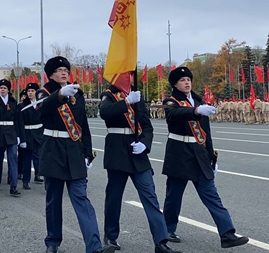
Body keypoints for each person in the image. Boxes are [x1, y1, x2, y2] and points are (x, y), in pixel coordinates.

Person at [162, 67, 249, 249]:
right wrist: (196, 111)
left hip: (199, 154)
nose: (187, 82)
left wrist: (211, 158)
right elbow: (173, 115)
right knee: (174, 196)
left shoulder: (199, 101)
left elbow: (206, 133)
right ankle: (168, 228)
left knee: (211, 195)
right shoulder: (171, 101)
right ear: (175, 84)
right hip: (179, 154)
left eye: (188, 79)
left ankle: (227, 233)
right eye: (182, 80)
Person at [37, 56, 115, 253]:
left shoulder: (77, 93)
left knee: (81, 198)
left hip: (73, 149)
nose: (64, 72)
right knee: (54, 200)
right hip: (53, 148)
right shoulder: (44, 92)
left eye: (66, 69)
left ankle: (94, 246)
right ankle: (53, 241)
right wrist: (60, 95)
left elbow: (83, 126)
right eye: (59, 70)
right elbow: (41, 110)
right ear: (51, 74)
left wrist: (87, 152)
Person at [99, 73, 179, 253]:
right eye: (126, 75)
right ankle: (111, 237)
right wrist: (126, 102)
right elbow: (105, 113)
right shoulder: (110, 95)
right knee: (114, 197)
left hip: (137, 152)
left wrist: (145, 143)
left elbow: (147, 125)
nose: (130, 79)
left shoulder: (137, 95)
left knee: (150, 196)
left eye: (131, 76)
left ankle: (161, 241)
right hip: (118, 150)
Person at [0, 79, 22, 196]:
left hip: (11, 133)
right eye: (1, 88)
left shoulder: (13, 102)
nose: (2, 90)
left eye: (4, 88)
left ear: (9, 89)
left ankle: (13, 185)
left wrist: (18, 135)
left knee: (13, 159)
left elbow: (17, 120)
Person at [17, 82, 44, 188]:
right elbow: (20, 123)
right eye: (28, 91)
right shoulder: (22, 106)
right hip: (27, 134)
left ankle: (39, 175)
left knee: (40, 157)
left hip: (39, 134)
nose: (30, 93)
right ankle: (26, 180)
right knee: (26, 159)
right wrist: (22, 139)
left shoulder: (41, 104)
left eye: (32, 91)